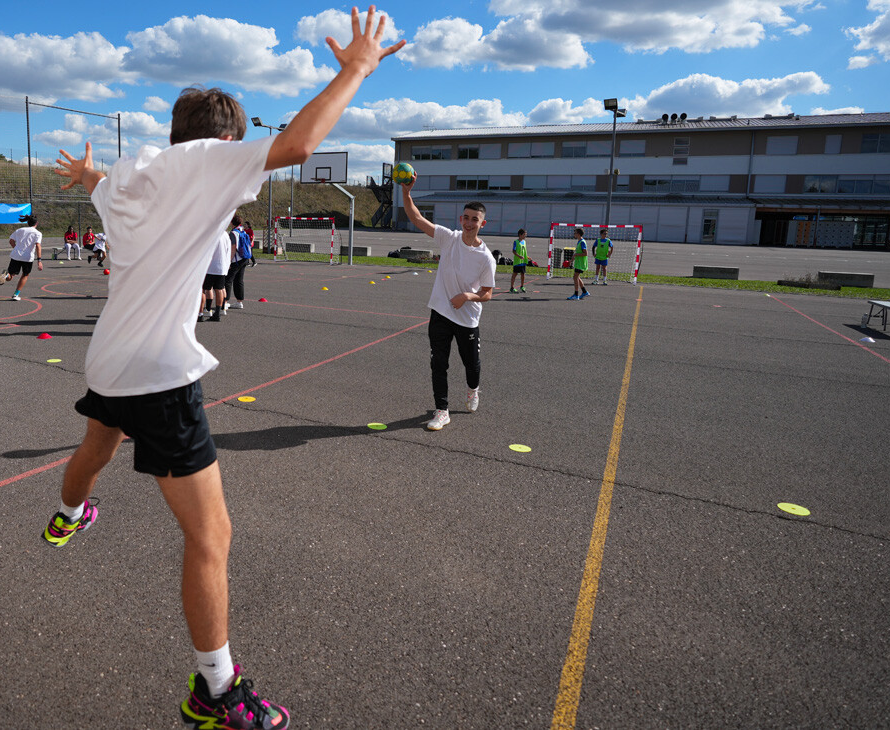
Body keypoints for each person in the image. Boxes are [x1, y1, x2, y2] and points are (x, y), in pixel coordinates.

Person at [46, 8, 403, 728]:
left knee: (96, 445)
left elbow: (97, 187)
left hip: (110, 357)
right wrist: (356, 68)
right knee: (211, 538)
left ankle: (68, 513)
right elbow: (300, 144)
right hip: (157, 370)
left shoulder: (128, 175)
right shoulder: (210, 161)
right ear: (226, 139)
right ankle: (215, 690)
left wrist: (86, 171)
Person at [400, 182, 496, 432]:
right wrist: (406, 193)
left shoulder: (486, 257)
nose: (468, 222)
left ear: (482, 224)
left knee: (471, 365)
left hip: (467, 320)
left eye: (474, 219)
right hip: (440, 313)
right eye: (465, 217)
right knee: (438, 363)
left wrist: (466, 296)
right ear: (460, 218)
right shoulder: (449, 238)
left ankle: (473, 391)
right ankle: (441, 410)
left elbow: (487, 294)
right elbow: (417, 218)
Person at [0, 214, 42, 301]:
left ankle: (5, 275)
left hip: (16, 255)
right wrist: (39, 260)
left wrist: (16, 249)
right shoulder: (37, 233)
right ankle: (15, 294)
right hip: (27, 257)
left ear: (28, 222)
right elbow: (38, 246)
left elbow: (11, 241)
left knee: (10, 275)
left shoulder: (19, 230)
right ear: (36, 223)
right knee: (25, 275)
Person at [200, 229, 230, 322]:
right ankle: (217, 312)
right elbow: (228, 250)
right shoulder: (225, 234)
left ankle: (200, 313)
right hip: (222, 266)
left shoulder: (211, 233)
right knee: (219, 289)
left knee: (204, 289)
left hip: (210, 267)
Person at [226, 215, 253, 310]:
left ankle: (225, 301)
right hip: (244, 258)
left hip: (236, 260)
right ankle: (239, 301)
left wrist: (229, 261)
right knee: (239, 280)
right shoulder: (242, 230)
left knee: (228, 280)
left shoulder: (233, 233)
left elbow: (233, 248)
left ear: (231, 222)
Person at [507, 228, 538, 293]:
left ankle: (522, 286)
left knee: (523, 274)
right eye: (524, 234)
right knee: (515, 274)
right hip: (517, 261)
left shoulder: (524, 242)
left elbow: (523, 251)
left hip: (523, 262)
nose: (525, 236)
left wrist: (527, 257)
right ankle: (512, 287)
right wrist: (519, 256)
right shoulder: (516, 242)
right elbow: (514, 251)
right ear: (520, 235)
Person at [568, 228, 589, 300]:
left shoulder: (582, 242)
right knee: (576, 277)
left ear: (578, 234)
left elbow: (585, 253)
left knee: (575, 277)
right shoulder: (579, 242)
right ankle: (584, 291)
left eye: (575, 233)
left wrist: (576, 254)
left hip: (581, 263)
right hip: (578, 263)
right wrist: (572, 260)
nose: (574, 234)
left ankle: (576, 294)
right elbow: (577, 254)